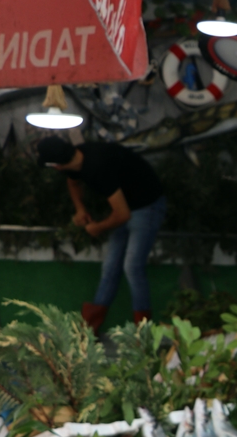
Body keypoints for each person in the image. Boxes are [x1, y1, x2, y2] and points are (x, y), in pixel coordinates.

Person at [37, 136, 167, 331]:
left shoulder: (98, 169)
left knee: (132, 266)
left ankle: (144, 332)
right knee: (110, 266)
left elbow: (122, 215)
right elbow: (73, 182)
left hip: (147, 206)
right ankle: (90, 327)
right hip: (128, 204)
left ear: (56, 166)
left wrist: (97, 228)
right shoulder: (78, 157)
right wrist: (80, 209)